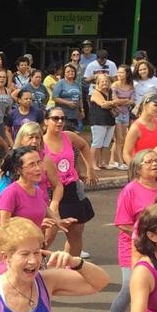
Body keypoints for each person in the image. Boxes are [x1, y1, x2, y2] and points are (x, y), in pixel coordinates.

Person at [97, 149, 157, 312]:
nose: (154, 164)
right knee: (129, 288)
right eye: (149, 162)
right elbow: (122, 223)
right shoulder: (130, 190)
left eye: (156, 160)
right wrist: (146, 235)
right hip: (133, 246)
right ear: (138, 168)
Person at [39, 108, 97, 257]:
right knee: (47, 237)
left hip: (72, 188)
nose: (60, 122)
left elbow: (84, 146)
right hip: (51, 191)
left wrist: (90, 168)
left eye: (62, 118)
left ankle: (73, 267)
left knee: (76, 234)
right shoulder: (40, 143)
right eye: (55, 118)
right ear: (46, 121)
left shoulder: (68, 136)